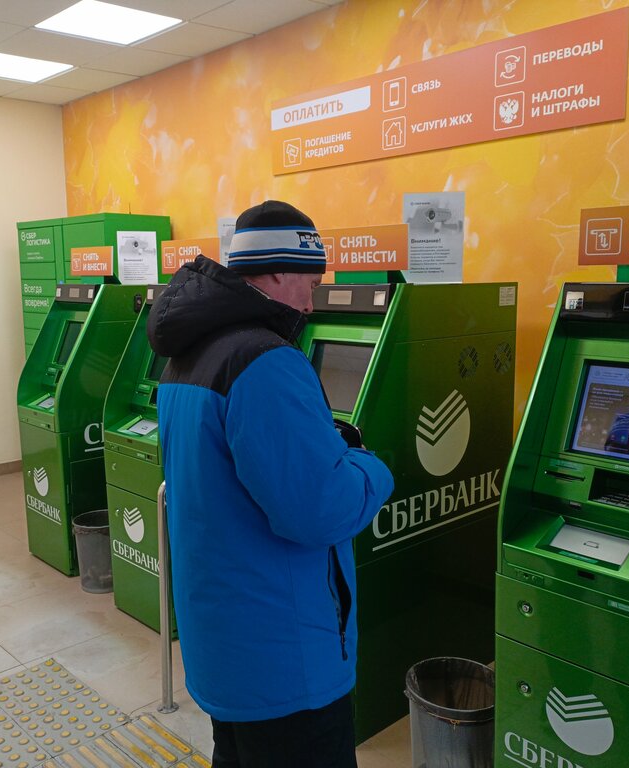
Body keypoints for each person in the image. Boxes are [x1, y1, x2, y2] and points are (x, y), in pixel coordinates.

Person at [147, 200, 394, 767]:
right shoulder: (266, 360)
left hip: (226, 640)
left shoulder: (189, 353)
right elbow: (319, 510)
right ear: (280, 270)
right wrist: (369, 465)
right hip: (284, 653)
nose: (310, 301)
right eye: (311, 282)